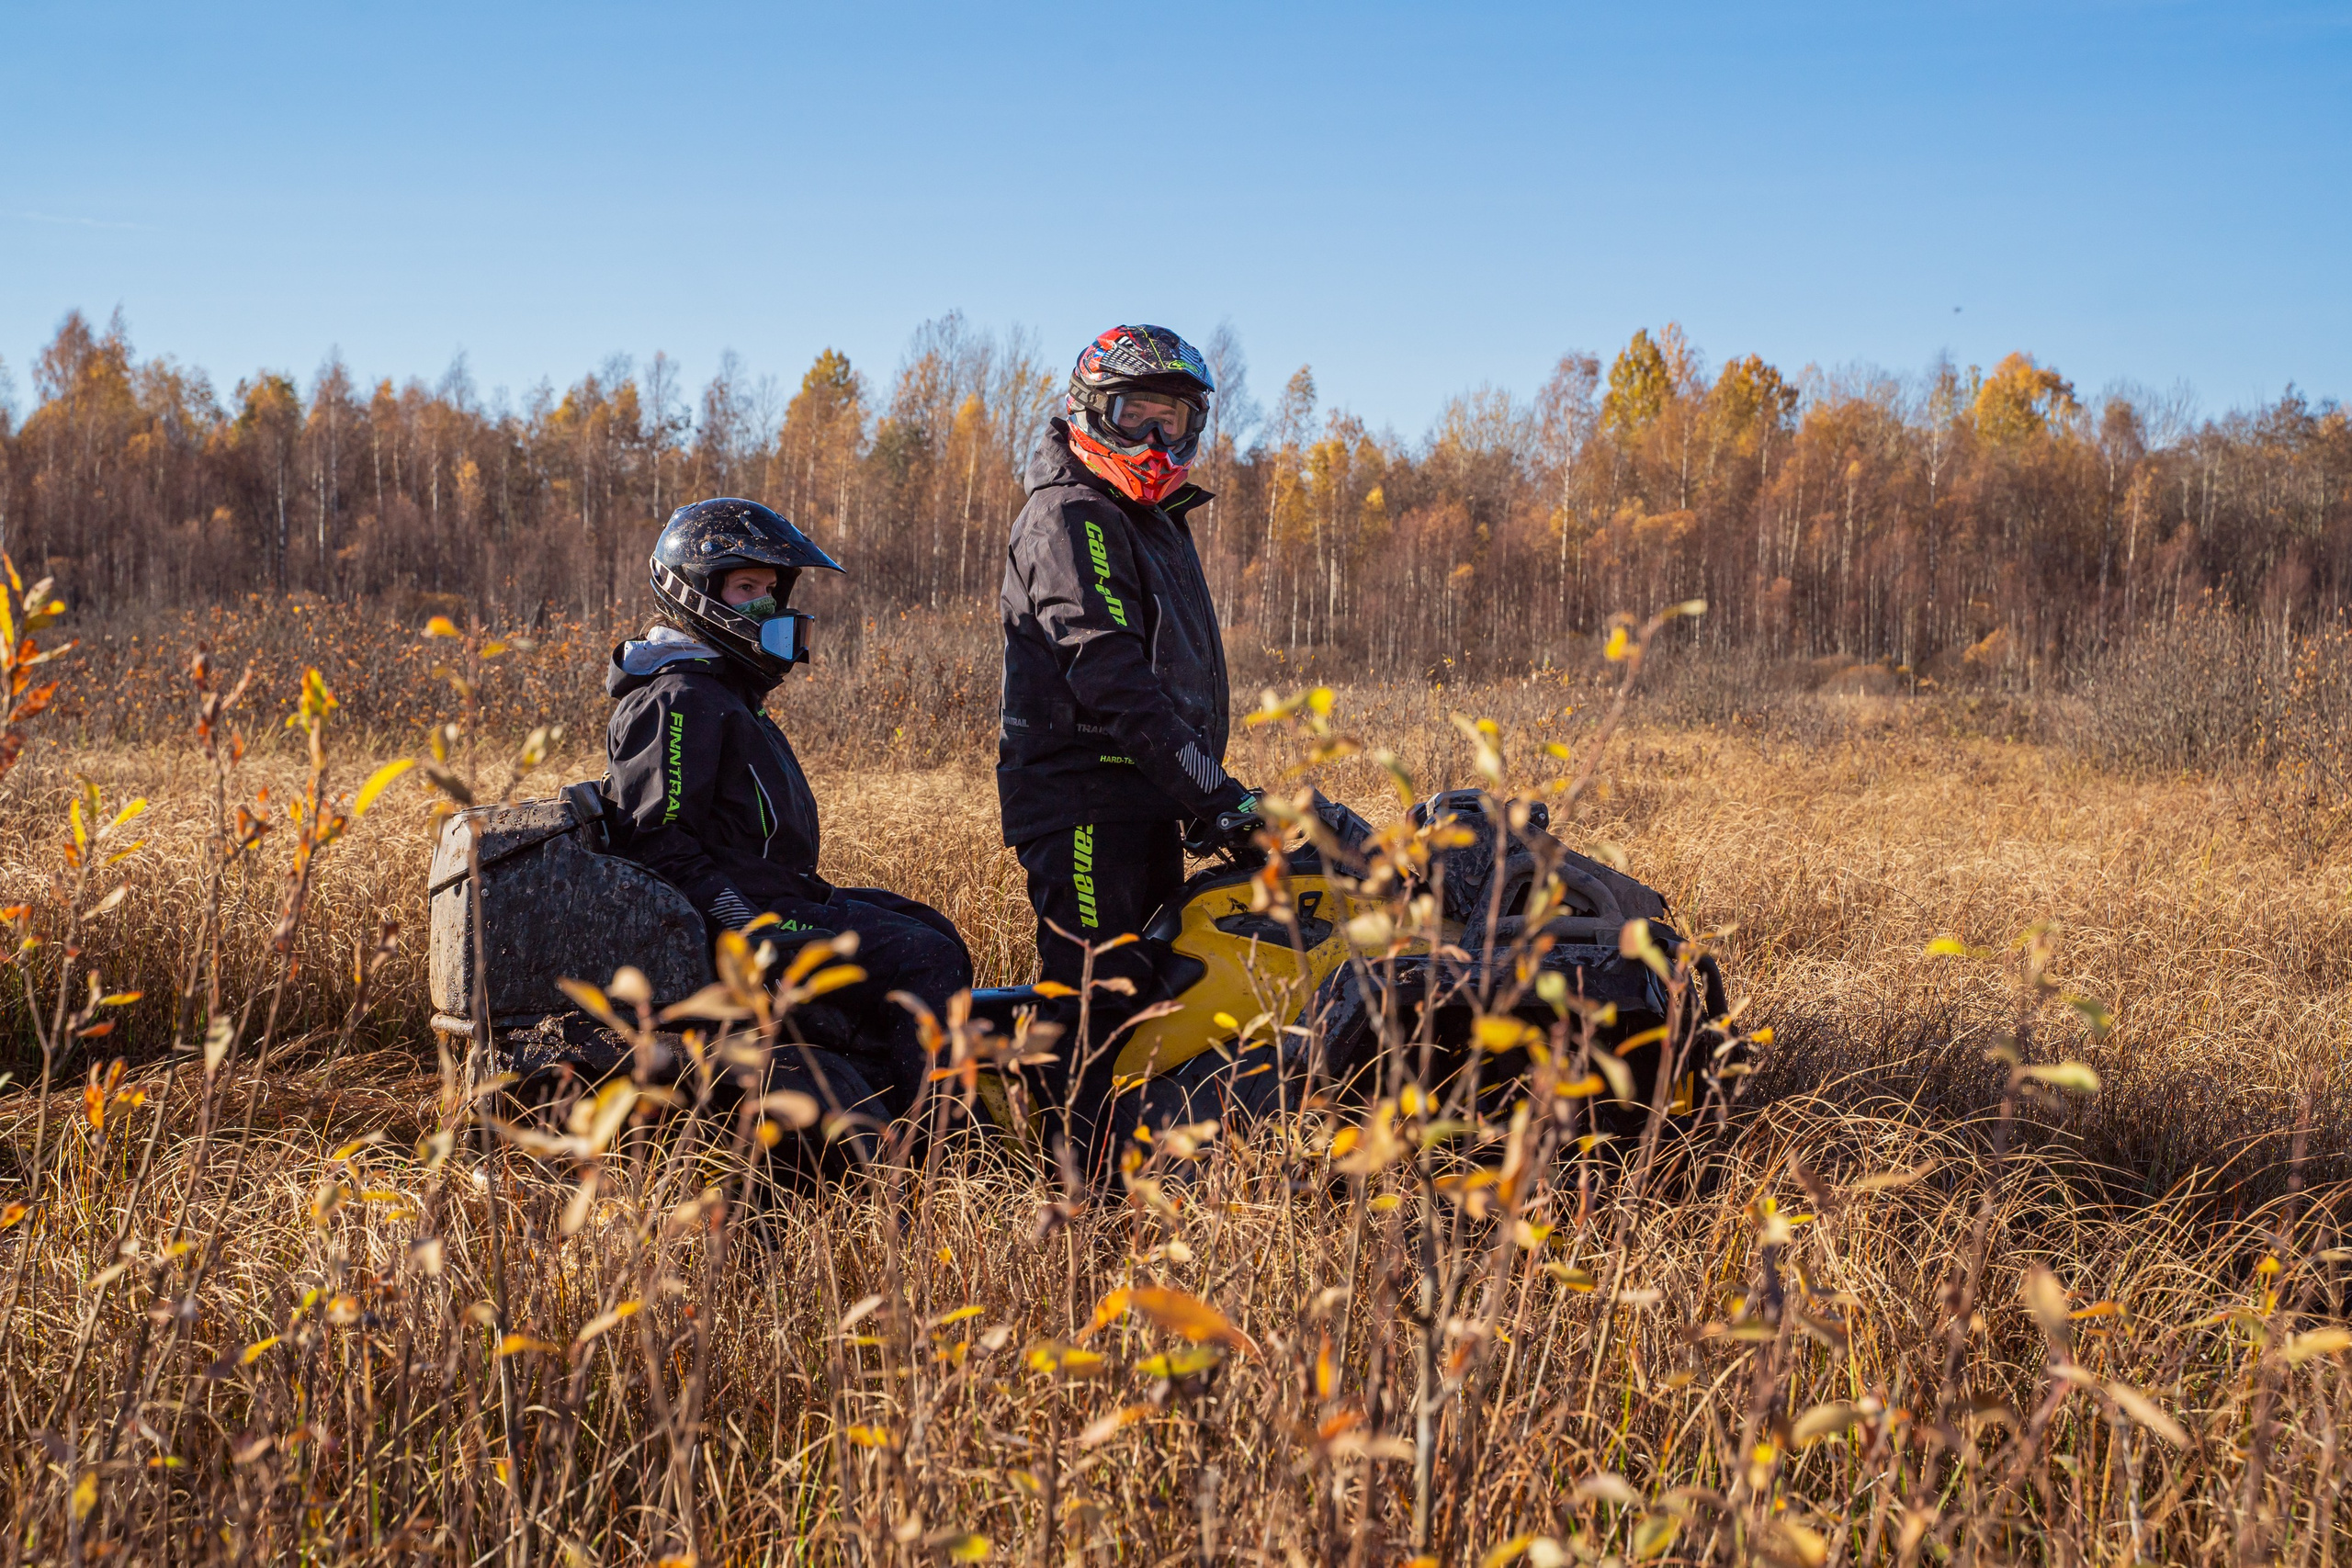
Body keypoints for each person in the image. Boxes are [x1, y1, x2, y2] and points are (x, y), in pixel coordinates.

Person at [606, 497, 972, 1125]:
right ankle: (934, 1152)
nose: (768, 607)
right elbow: (658, 846)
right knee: (924, 957)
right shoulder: (678, 697)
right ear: (697, 591)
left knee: (931, 929)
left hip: (785, 897)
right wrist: (746, 926)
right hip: (738, 922)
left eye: (773, 589)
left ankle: (882, 1082)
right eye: (747, 587)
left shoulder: (723, 690)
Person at [997, 325, 1262, 1165]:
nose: (1157, 440)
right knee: (1096, 991)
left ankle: (1123, 1157)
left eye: (1175, 422)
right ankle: (1064, 1186)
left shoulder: (1152, 520)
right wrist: (1214, 792)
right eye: (1135, 415)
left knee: (1152, 981)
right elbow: (1109, 674)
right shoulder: (1068, 515)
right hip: (1082, 796)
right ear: (1088, 413)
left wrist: (1200, 792)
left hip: (1144, 792)